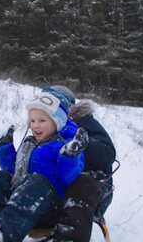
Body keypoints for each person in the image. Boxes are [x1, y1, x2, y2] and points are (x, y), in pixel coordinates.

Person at [0, 91, 89, 242]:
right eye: (32, 121)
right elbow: (13, 172)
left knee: (37, 181)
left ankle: (3, 234)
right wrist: (5, 146)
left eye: (42, 120)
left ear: (56, 122)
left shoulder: (64, 147)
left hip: (47, 208)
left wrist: (70, 155)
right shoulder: (29, 143)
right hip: (19, 200)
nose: (36, 125)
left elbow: (68, 177)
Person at [43, 86, 117, 242]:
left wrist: (79, 143)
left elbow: (107, 154)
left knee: (81, 185)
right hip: (59, 185)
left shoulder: (83, 121)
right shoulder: (45, 126)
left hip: (94, 188)